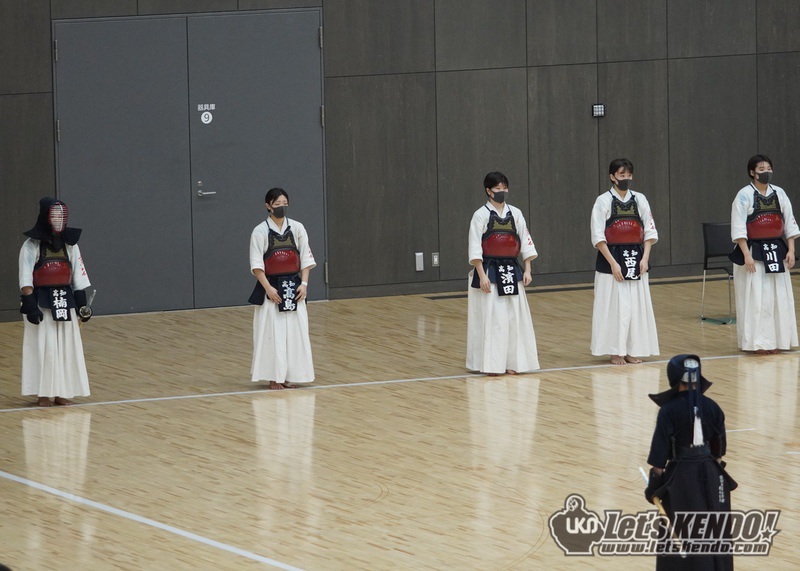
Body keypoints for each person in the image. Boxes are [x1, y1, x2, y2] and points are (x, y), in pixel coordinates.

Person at [644, 354, 736, 570]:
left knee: (684, 529)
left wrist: (654, 486)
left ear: (674, 377)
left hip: (682, 479)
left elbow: (659, 459)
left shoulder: (668, 411)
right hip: (712, 475)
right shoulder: (713, 407)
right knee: (716, 528)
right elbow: (719, 453)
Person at [18, 197, 92, 407]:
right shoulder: (31, 245)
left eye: (61, 216)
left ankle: (62, 392)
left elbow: (78, 278)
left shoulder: (71, 246)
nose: (58, 220)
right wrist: (30, 306)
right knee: (45, 348)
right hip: (41, 302)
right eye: (54, 216)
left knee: (66, 348)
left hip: (65, 301)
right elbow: (25, 278)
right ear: (45, 217)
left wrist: (82, 306)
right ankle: (43, 393)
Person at [466, 171, 539, 375]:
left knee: (514, 319)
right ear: (488, 191)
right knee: (494, 320)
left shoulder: (515, 213)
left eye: (504, 188)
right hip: (490, 270)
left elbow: (525, 241)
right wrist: (482, 275)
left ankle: (513, 363)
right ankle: (492, 364)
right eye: (498, 188)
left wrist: (528, 269)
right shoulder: (480, 215)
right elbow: (475, 247)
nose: (502, 192)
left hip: (512, 270)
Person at [590, 158, 659, 365]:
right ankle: (615, 351)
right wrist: (612, 263)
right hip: (611, 257)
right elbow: (598, 236)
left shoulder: (640, 199)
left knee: (635, 307)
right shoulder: (603, 201)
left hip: (636, 258)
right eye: (622, 175)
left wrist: (645, 258)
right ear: (612, 177)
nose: (626, 179)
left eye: (629, 175)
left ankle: (631, 349)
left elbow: (650, 230)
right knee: (613, 306)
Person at [730, 154, 799, 354]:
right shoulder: (744, 195)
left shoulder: (779, 193)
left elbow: (790, 222)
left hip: (777, 250)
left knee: (779, 297)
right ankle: (758, 343)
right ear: (752, 172)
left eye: (768, 169)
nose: (766, 172)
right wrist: (747, 255)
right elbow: (738, 228)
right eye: (761, 169)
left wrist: (791, 250)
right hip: (753, 250)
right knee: (756, 298)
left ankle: (778, 340)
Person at [249, 187, 316, 389]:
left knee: (295, 334)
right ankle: (273, 376)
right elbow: (257, 265)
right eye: (277, 204)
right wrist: (268, 288)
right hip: (271, 288)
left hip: (294, 288)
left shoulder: (297, 228)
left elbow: (305, 258)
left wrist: (304, 284)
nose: (282, 207)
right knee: (272, 333)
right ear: (268, 206)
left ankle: (288, 375)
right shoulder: (260, 231)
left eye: (285, 204)